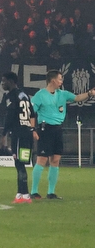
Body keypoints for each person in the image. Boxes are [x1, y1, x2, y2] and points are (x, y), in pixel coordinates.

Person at [29, 70, 95, 200]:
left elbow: (77, 98)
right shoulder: (40, 95)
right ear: (53, 80)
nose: (61, 81)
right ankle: (34, 191)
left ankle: (51, 192)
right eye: (60, 79)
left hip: (58, 129)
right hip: (45, 129)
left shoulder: (62, 94)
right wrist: (32, 130)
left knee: (55, 160)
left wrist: (89, 93)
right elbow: (32, 113)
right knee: (42, 159)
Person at [0, 72, 36, 204]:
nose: (2, 84)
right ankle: (21, 194)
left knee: (19, 163)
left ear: (11, 81)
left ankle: (24, 195)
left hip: (18, 134)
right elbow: (32, 114)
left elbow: (9, 117)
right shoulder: (24, 95)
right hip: (26, 133)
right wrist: (32, 129)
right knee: (21, 163)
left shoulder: (12, 96)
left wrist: (4, 134)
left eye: (4, 81)